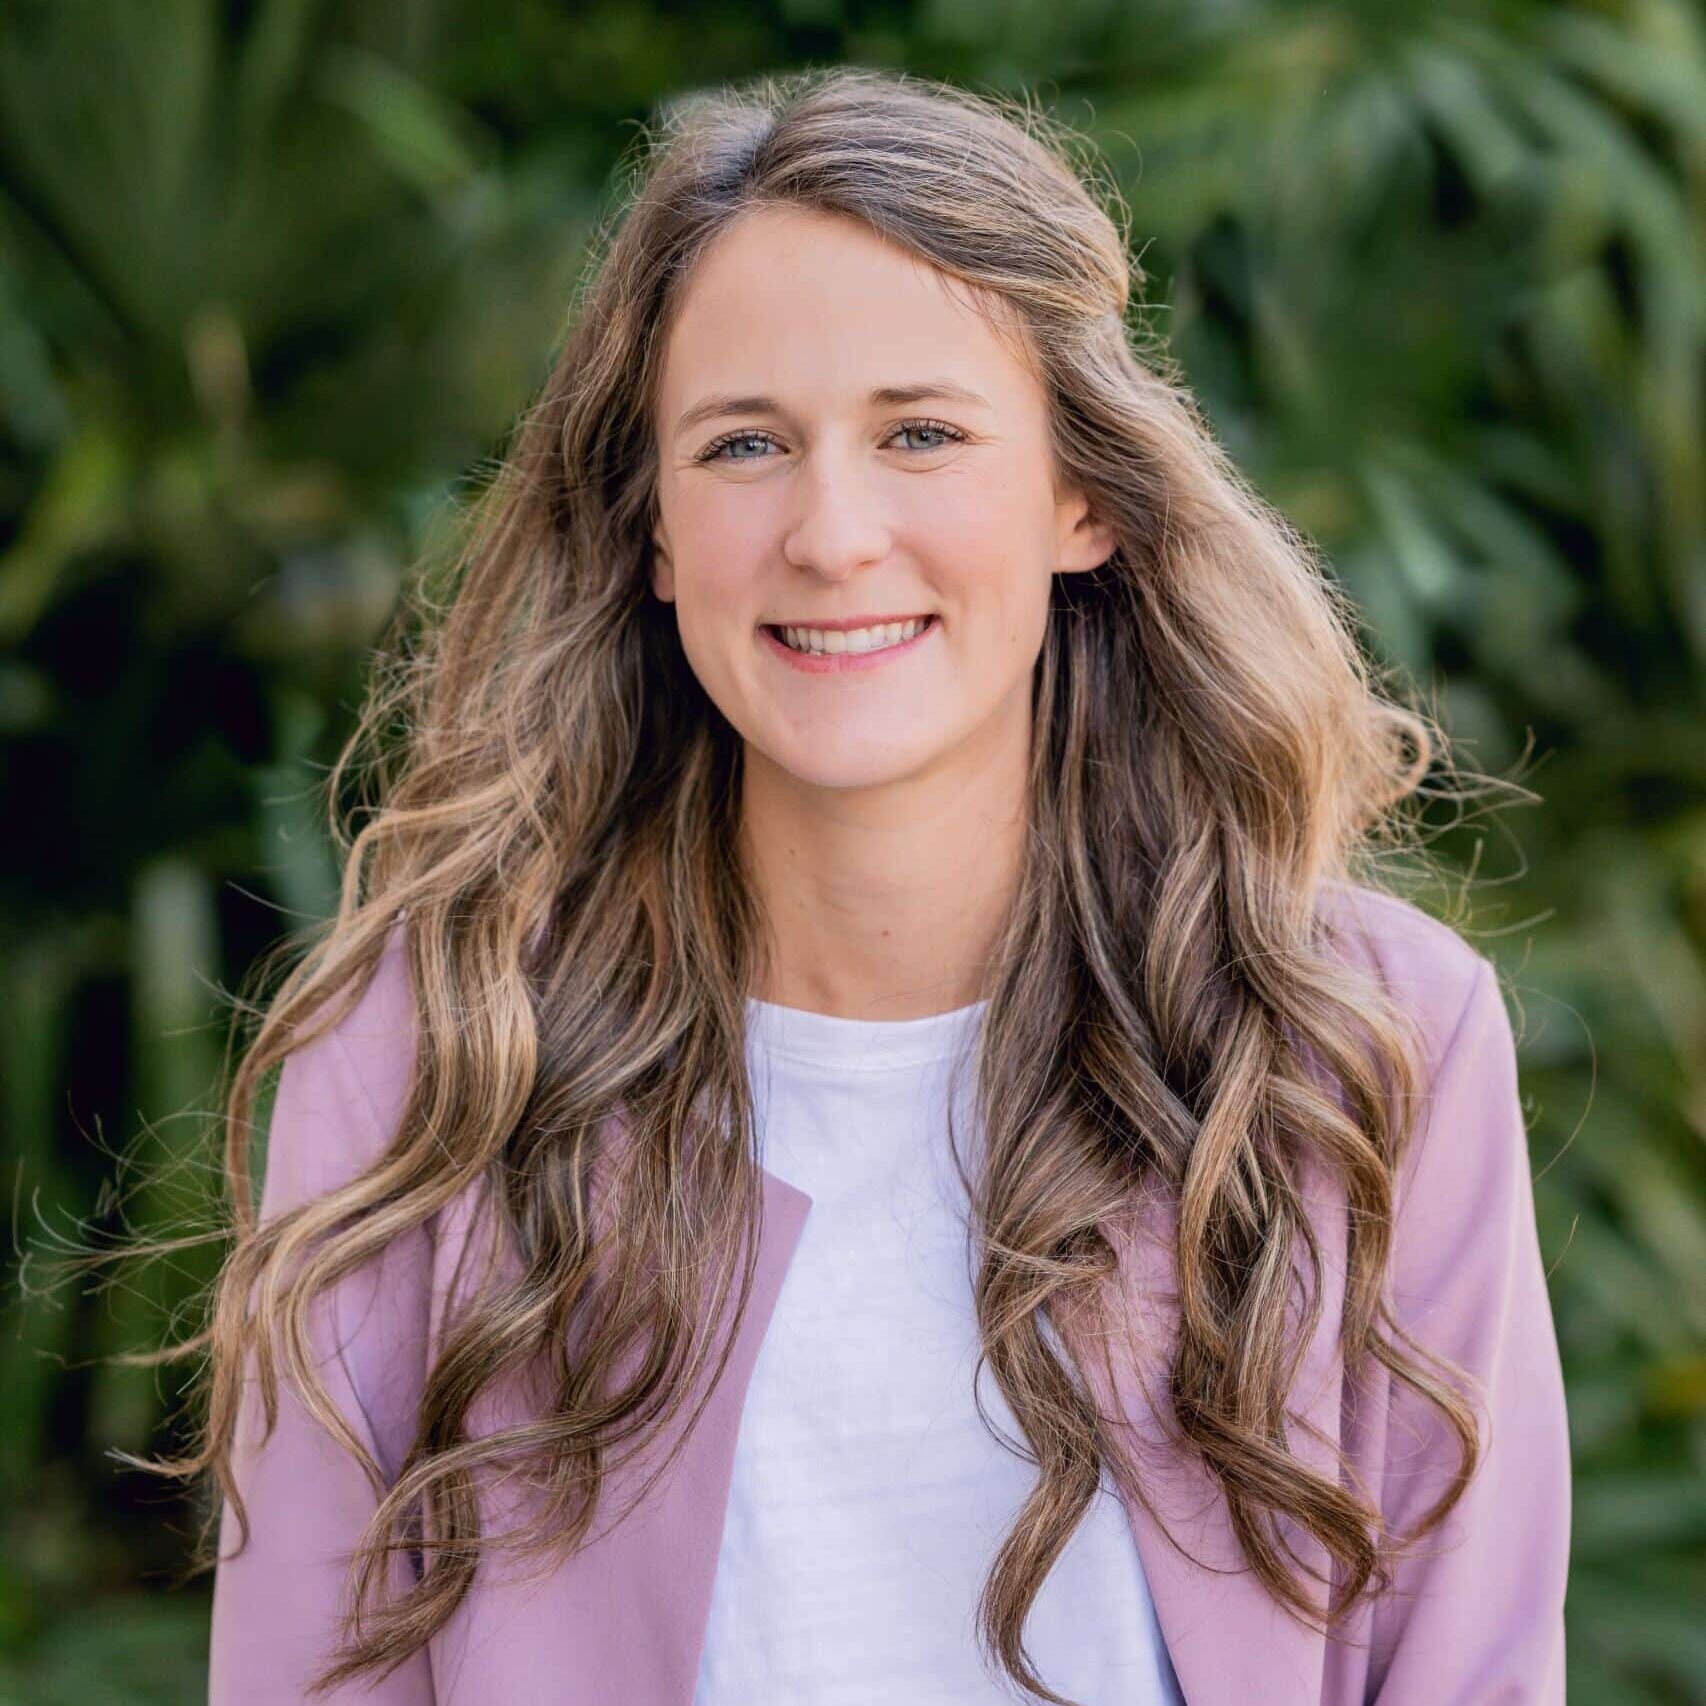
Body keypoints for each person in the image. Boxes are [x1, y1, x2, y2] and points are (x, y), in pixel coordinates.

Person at [157, 65, 1568, 1705]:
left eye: (920, 433)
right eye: (744, 442)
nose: (831, 533)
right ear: (655, 532)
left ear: (1079, 494)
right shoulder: (425, 1058)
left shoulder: (1360, 1042)